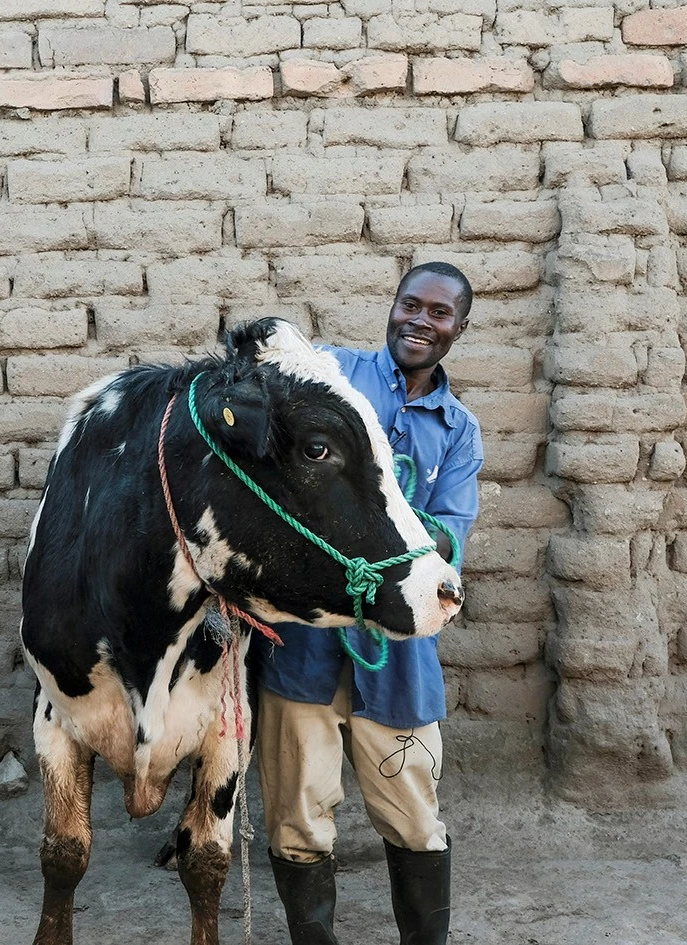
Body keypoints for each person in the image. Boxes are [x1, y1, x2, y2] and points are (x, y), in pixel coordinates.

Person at [259, 261, 483, 945]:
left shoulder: (457, 428)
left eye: (438, 312)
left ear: (457, 328)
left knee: (414, 814)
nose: (420, 319)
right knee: (297, 818)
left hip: (398, 657)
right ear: (391, 308)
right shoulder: (330, 377)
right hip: (302, 647)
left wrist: (384, 523)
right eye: (409, 304)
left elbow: (451, 531)